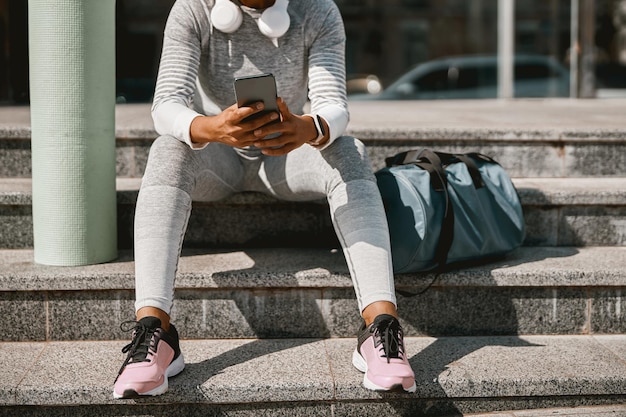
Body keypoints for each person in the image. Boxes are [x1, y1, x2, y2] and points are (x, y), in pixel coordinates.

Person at [113, 0, 416, 399]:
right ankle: (154, 334)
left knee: (349, 149)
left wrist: (308, 127)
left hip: (284, 159)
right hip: (217, 156)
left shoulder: (318, 11)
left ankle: (381, 330)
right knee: (168, 148)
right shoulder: (193, 9)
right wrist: (211, 126)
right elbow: (166, 104)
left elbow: (332, 104)